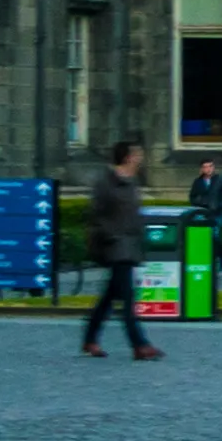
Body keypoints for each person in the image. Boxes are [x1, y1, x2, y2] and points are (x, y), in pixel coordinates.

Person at [76, 139, 160, 360]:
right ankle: (140, 344)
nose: (140, 158)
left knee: (109, 297)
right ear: (127, 157)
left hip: (129, 246)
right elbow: (96, 214)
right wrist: (109, 236)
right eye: (137, 154)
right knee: (128, 298)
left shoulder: (132, 182)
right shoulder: (106, 182)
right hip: (115, 246)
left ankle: (90, 338)